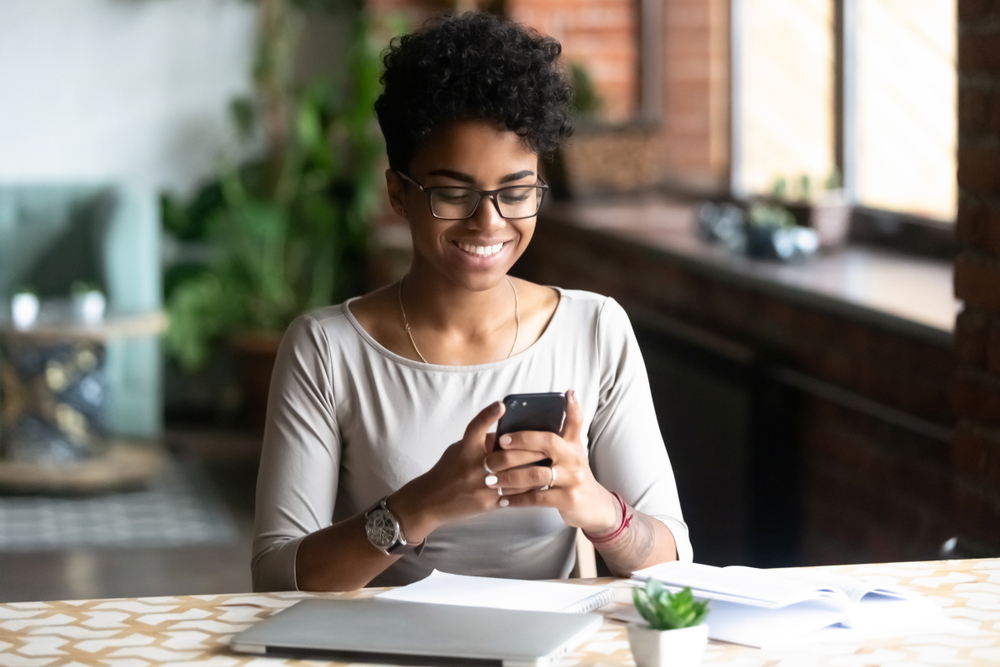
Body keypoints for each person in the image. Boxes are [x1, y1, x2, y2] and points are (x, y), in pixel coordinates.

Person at [252, 11, 691, 593]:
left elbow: (674, 565)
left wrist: (600, 510)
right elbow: (276, 578)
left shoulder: (595, 330)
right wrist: (417, 507)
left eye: (515, 192)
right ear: (397, 193)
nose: (489, 222)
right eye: (454, 193)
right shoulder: (327, 350)